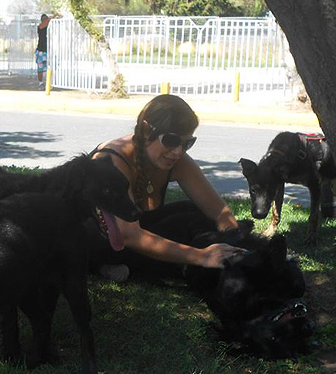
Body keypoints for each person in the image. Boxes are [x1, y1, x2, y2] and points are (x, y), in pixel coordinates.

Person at [88, 94, 243, 281]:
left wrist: (239, 246)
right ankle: (103, 266)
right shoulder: (112, 160)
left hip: (139, 230)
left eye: (187, 143)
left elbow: (219, 212)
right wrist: (201, 256)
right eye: (171, 140)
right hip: (105, 241)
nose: (178, 151)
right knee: (186, 225)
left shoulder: (177, 160)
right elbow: (128, 234)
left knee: (195, 212)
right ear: (146, 131)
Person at [36, 13, 60, 89]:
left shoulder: (48, 27)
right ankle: (41, 83)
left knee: (50, 67)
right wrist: (55, 15)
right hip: (41, 51)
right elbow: (47, 21)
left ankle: (48, 83)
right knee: (40, 69)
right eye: (45, 19)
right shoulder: (40, 26)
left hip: (48, 50)